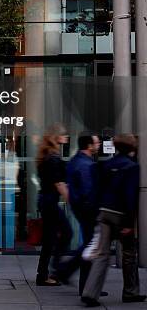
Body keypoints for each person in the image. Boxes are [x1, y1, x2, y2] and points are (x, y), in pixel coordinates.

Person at [81, 134, 146, 307]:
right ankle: (131, 291)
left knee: (102, 254)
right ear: (131, 148)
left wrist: (96, 211)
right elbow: (130, 196)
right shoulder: (132, 167)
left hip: (104, 212)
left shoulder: (106, 164)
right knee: (129, 252)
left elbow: (97, 189)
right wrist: (128, 223)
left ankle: (90, 293)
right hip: (120, 214)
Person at [57, 133, 102, 295]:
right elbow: (88, 191)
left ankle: (86, 286)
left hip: (79, 208)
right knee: (90, 246)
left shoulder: (75, 160)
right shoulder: (86, 165)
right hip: (88, 209)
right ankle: (66, 271)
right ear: (89, 146)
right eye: (96, 143)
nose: (99, 145)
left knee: (90, 245)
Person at [36, 123, 72, 286]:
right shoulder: (53, 158)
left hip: (46, 200)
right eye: (64, 134)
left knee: (50, 239)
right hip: (50, 201)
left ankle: (43, 274)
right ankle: (56, 268)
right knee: (67, 232)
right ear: (56, 137)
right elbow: (59, 183)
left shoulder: (47, 155)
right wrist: (72, 200)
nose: (66, 136)